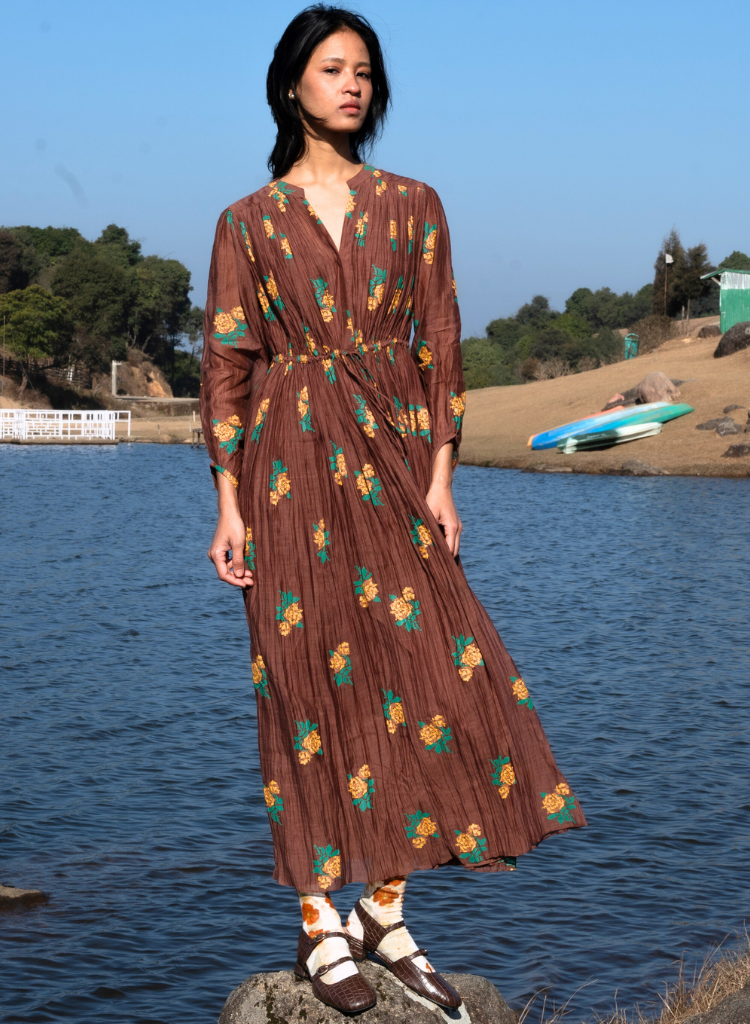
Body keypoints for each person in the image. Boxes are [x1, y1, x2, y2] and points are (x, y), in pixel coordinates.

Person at [201, 5, 586, 1013]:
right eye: (333, 68)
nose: (353, 84)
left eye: (364, 70)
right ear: (292, 84)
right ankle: (319, 918)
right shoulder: (247, 221)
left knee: (430, 674)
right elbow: (227, 365)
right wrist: (229, 504)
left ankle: (385, 903)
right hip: (286, 466)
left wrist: (442, 476)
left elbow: (441, 341)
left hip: (393, 455)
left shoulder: (414, 205)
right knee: (304, 687)